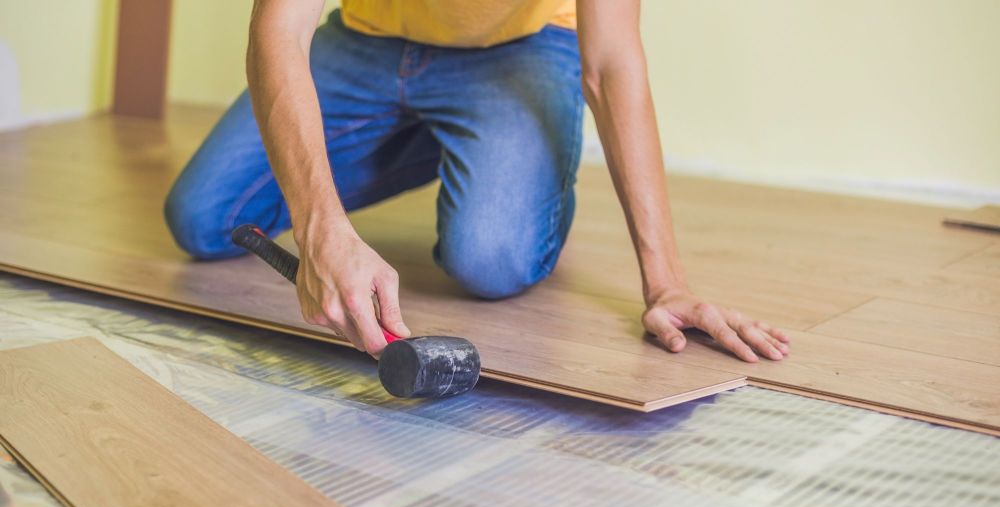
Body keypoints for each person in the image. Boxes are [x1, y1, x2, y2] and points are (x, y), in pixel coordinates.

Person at [164, 0, 790, 362]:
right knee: (207, 218)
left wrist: (666, 283)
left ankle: (488, 146)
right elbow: (279, 26)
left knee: (490, 258)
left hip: (519, 54)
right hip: (365, 44)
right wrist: (321, 227)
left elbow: (610, 63)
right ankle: (444, 137)